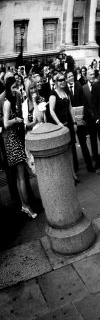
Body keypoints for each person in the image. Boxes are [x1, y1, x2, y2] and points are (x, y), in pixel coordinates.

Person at [3, 75, 37, 218]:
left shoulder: (13, 99)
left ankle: (24, 205)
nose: (16, 89)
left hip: (15, 139)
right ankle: (26, 206)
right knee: (21, 176)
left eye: (16, 87)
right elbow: (5, 123)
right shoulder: (7, 103)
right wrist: (16, 120)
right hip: (12, 140)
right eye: (13, 87)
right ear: (8, 88)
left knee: (20, 176)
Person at [48, 72, 80, 183]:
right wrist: (59, 123)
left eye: (63, 80)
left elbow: (71, 107)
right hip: (61, 126)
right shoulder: (53, 94)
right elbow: (51, 110)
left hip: (69, 124)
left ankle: (73, 173)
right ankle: (67, 176)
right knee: (64, 152)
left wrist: (75, 122)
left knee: (70, 150)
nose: (62, 82)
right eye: (60, 80)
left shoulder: (66, 92)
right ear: (56, 82)